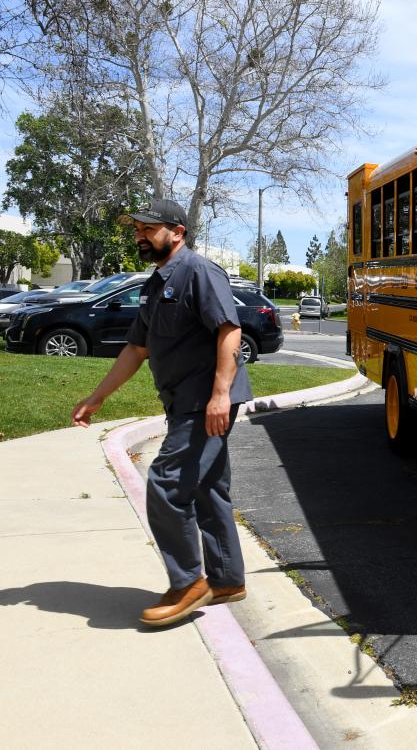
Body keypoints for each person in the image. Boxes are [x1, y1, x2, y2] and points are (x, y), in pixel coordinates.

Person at [71, 198, 253, 627]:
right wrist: (98, 397)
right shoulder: (155, 284)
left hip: (205, 400)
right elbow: (137, 349)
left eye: (148, 228)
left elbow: (230, 330)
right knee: (206, 486)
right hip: (183, 401)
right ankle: (226, 579)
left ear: (177, 231)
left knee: (167, 482)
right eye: (137, 228)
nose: (139, 235)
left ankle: (188, 582)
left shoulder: (199, 272)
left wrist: (220, 395)